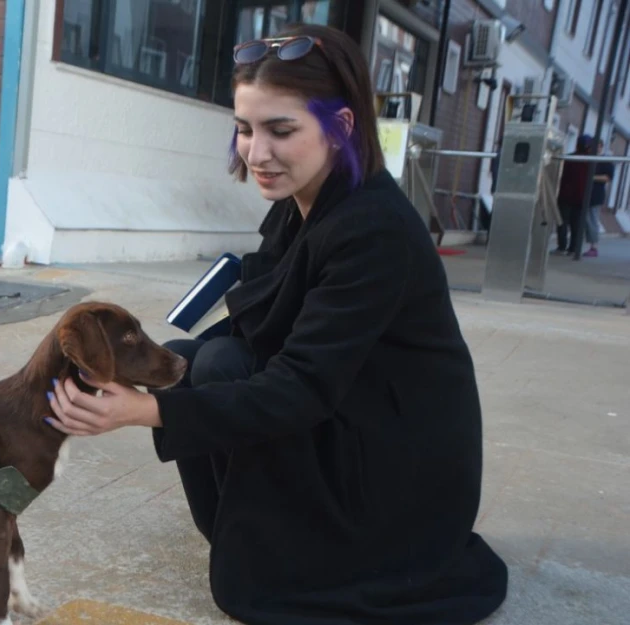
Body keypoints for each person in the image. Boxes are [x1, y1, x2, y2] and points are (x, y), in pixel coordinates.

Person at [43, 23, 509, 625]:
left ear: (341, 127)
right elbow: (255, 325)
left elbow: (302, 387)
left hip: (401, 476)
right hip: (357, 418)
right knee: (192, 360)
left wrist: (145, 411)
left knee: (211, 371)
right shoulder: (304, 205)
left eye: (280, 130)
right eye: (244, 127)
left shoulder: (373, 230)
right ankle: (250, 541)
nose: (255, 153)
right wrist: (140, 369)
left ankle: (298, 561)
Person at [555, 135, 595, 256]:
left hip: (566, 196)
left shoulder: (570, 159)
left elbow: (561, 175)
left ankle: (562, 246)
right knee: (576, 225)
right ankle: (573, 249)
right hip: (581, 198)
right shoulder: (590, 161)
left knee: (562, 222)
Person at [582, 139, 614, 258]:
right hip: (583, 194)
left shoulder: (605, 161)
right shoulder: (587, 160)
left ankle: (593, 247)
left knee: (592, 221)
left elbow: (607, 178)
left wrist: (591, 177)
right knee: (585, 221)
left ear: (600, 147)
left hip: (596, 196)